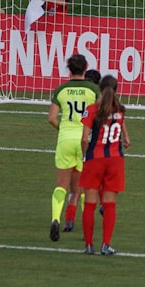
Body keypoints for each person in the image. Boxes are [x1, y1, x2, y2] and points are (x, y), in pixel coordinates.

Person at [46, 54, 99, 241]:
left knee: (61, 185)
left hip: (65, 139)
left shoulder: (61, 89)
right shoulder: (93, 89)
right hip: (85, 139)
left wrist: (63, 130)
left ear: (69, 69)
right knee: (83, 186)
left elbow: (51, 118)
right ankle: (87, 227)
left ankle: (55, 219)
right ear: (85, 68)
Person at [79, 74, 130, 255]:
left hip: (95, 159)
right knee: (109, 205)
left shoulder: (92, 109)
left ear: (99, 89)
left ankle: (89, 245)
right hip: (115, 160)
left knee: (90, 205)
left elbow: (85, 138)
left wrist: (85, 157)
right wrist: (126, 137)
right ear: (116, 90)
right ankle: (105, 245)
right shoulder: (121, 110)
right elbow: (120, 123)